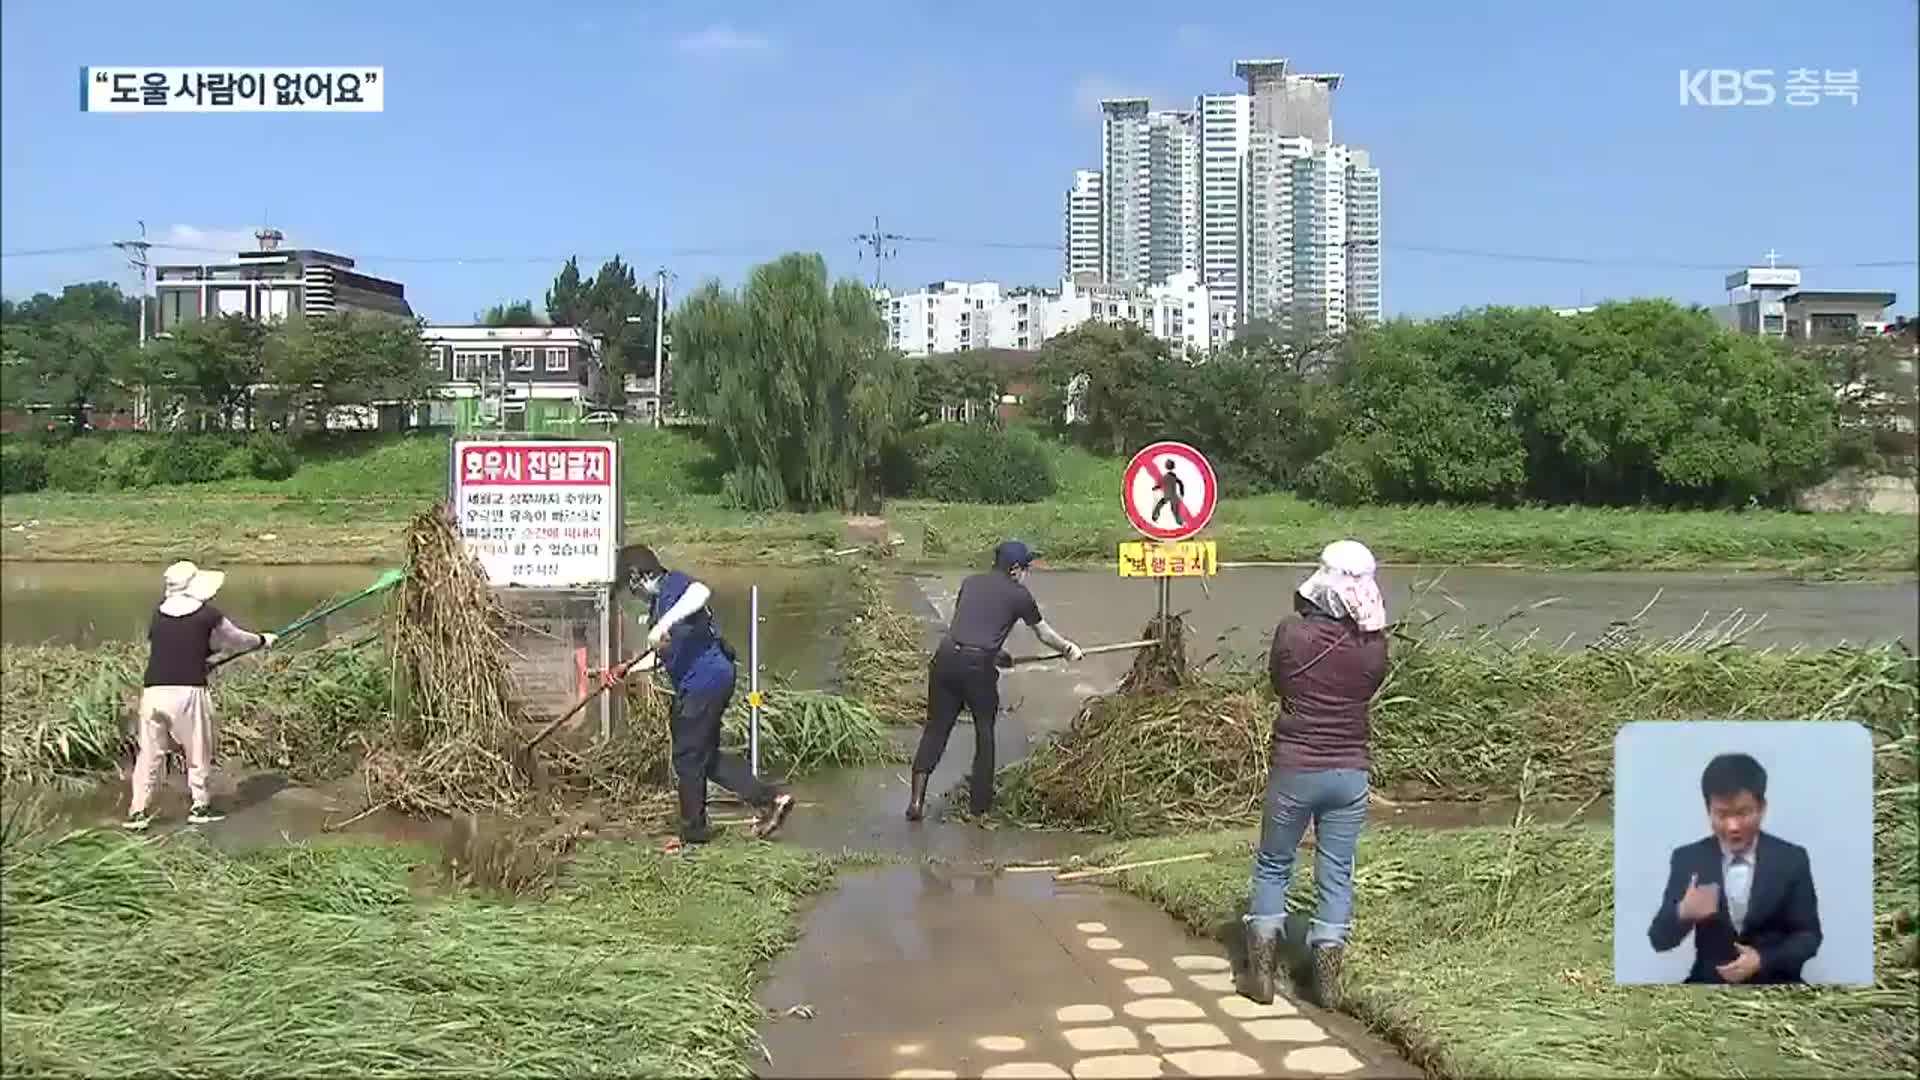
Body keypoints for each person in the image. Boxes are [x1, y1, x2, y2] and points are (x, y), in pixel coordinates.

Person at [1238, 540, 1389, 1008]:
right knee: (1337, 872)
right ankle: (1326, 985)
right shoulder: (1375, 646)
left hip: (1297, 765)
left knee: (1273, 862)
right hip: (1350, 771)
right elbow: (1366, 690)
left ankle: (1260, 977)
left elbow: (1278, 683)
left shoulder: (1291, 634)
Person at [613, 545, 794, 852]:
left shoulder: (675, 586)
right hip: (707, 679)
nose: (634, 595)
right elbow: (665, 655)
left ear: (637, 577)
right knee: (705, 759)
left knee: (686, 757)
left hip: (704, 681)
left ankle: (693, 833)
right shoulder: (659, 604)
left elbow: (701, 591)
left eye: (630, 588)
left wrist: (663, 624)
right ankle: (772, 800)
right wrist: (626, 670)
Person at [906, 540, 1084, 822]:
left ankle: (915, 802)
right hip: (977, 668)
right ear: (1014, 569)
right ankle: (980, 806)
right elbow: (1044, 634)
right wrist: (1068, 649)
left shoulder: (971, 583)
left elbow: (969, 627)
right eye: (1026, 567)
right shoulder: (1019, 595)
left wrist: (996, 653)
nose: (1027, 573)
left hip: (946, 657)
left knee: (936, 729)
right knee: (984, 732)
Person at [123, 561, 276, 831]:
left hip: (154, 692)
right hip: (188, 691)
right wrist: (263, 640)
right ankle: (200, 806)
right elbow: (236, 639)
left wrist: (201, 657)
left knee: (150, 754)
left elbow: (172, 646)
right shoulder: (207, 615)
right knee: (197, 749)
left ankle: (137, 811)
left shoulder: (158, 614)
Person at [1647, 752, 1822, 985]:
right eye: (1721, 814)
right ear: (1708, 809)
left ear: (1762, 808)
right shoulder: (1688, 859)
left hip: (1776, 985)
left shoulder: (1791, 858)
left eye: (1742, 813)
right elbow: (1659, 940)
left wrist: (1763, 960)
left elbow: (1809, 937)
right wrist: (1683, 912)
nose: (1732, 826)